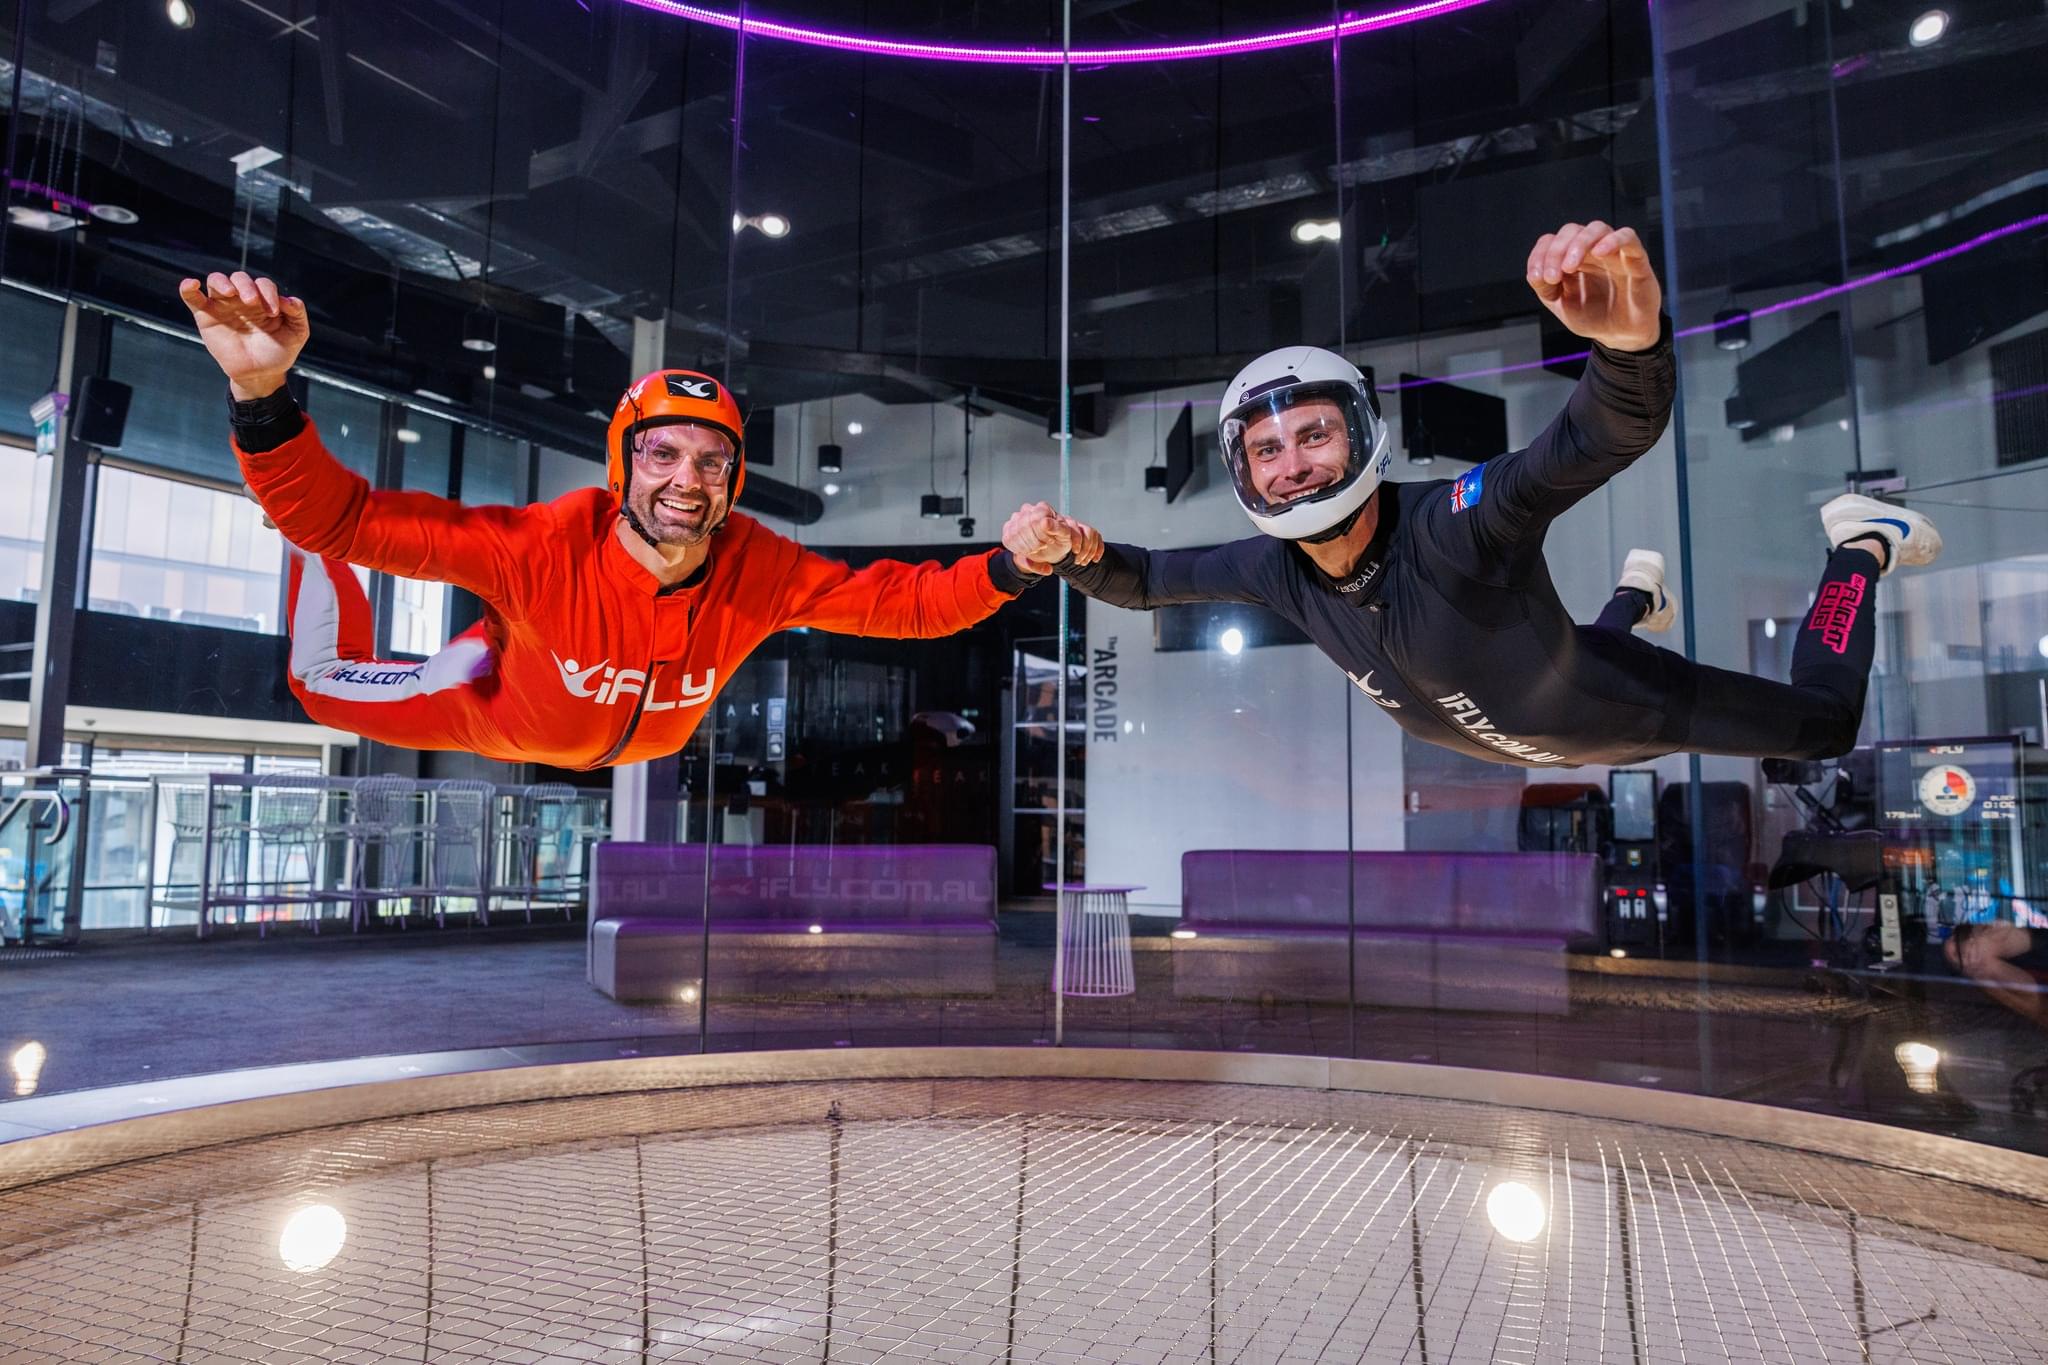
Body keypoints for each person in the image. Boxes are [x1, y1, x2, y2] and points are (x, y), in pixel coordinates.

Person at [1002, 220, 1941, 769]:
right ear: (1245, 472)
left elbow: (1590, 438)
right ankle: (1638, 596)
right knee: (1573, 652)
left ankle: (1858, 541)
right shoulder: (1276, 570)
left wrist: (1625, 348)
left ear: (1362, 436)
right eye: (1268, 449)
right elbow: (1146, 576)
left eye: (1315, 433)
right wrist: (1066, 553)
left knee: (1822, 729)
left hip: (1621, 714)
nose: (1293, 464)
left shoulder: (1455, 525)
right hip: (1543, 720)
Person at [181, 271, 1048, 769]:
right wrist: (261, 392)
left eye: (712, 462)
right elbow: (351, 520)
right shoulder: (533, 550)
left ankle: (486, 631)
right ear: (623, 461)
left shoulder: (759, 567)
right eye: (662, 454)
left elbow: (905, 604)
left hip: (605, 716)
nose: (687, 481)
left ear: (735, 477)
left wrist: (1009, 567)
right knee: (319, 684)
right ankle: (321, 562)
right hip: (492, 699)